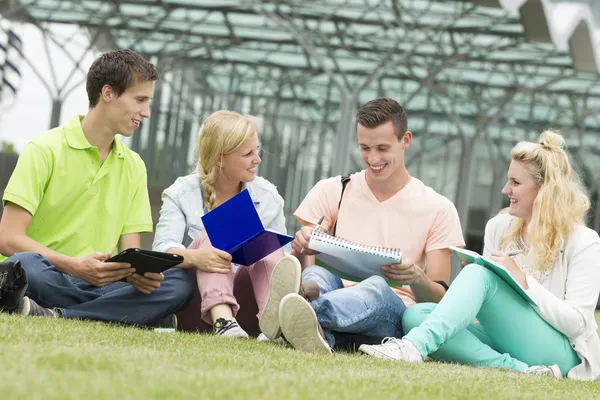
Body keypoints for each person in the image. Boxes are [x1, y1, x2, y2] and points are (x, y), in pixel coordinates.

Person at [359, 130, 600, 380]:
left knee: (479, 274)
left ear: (545, 191)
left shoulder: (584, 241)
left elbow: (577, 324)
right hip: (508, 341)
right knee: (416, 316)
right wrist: (477, 286)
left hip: (562, 352)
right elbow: (487, 313)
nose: (506, 189)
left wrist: (521, 281)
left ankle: (414, 347)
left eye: (516, 183)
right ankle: (522, 371)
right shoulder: (499, 227)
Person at [0, 49, 193, 326]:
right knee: (25, 265)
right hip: (47, 274)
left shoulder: (134, 166)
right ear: (108, 93)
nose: (146, 112)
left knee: (177, 282)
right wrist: (74, 266)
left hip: (102, 284)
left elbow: (131, 253)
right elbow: (7, 238)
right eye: (140, 100)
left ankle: (57, 314)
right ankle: (129, 313)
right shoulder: (43, 150)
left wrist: (136, 275)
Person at [260, 97, 465, 352]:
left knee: (375, 285)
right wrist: (304, 245)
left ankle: (294, 315)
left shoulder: (438, 207)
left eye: (382, 148)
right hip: (336, 304)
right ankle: (313, 327)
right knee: (319, 275)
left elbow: (438, 299)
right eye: (364, 147)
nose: (372, 158)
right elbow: (307, 265)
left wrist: (417, 277)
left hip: (388, 314)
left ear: (406, 140)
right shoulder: (334, 189)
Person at [152, 110, 317, 338]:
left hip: (249, 313)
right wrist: (196, 257)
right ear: (220, 159)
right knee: (215, 235)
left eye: (256, 150)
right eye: (247, 154)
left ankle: (276, 329)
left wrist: (299, 252)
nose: (257, 160)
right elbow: (160, 250)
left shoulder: (268, 197)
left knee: (268, 248)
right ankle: (224, 321)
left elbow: (280, 270)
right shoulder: (181, 193)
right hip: (197, 309)